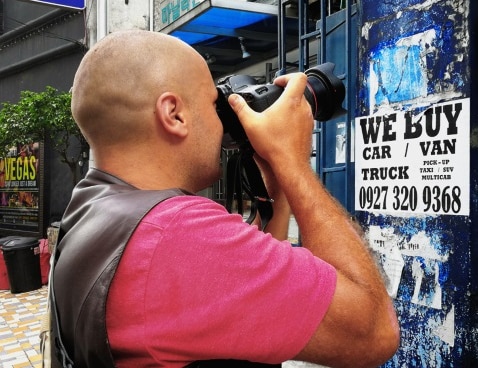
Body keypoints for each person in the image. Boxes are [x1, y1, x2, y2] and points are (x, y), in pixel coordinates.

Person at [52, 29, 399, 368]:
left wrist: (275, 180)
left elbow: (252, 291)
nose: (223, 124)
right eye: (213, 103)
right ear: (174, 114)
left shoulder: (88, 210)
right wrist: (294, 163)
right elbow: (373, 331)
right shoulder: (176, 233)